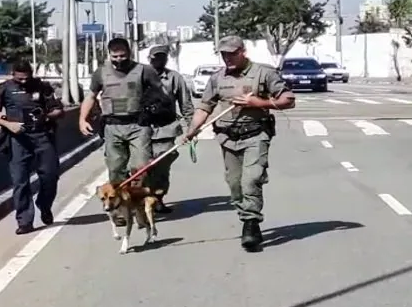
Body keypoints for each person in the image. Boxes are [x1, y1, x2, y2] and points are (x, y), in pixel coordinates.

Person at [183, 35, 296, 251]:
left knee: (251, 180)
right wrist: (192, 130)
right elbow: (204, 106)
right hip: (227, 137)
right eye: (224, 54)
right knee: (234, 184)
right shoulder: (217, 78)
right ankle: (246, 215)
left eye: (232, 53)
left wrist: (259, 102)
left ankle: (251, 225)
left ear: (243, 52)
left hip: (255, 135)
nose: (228, 58)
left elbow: (288, 100)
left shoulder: (264, 73)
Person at [79, 37, 173, 225]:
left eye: (123, 55)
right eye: (115, 56)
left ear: (129, 53)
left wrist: (155, 110)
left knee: (140, 168)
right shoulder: (101, 73)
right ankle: (121, 211)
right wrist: (82, 119)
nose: (119, 59)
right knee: (115, 170)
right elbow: (91, 97)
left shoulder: (144, 71)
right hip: (112, 126)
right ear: (109, 54)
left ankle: (141, 206)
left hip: (138, 125)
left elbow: (161, 94)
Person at [0, 60, 64, 235]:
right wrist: (8, 125)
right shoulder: (4, 89)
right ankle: (25, 221)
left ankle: (44, 205)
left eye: (26, 78)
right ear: (13, 74)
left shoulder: (42, 87)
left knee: (50, 176)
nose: (23, 82)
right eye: (19, 79)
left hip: (42, 136)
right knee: (20, 182)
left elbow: (59, 110)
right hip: (17, 138)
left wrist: (46, 116)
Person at [147, 44, 194, 213]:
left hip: (166, 129)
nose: (158, 60)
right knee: (140, 167)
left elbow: (186, 104)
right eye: (155, 57)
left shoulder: (174, 78)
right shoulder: (138, 76)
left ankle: (157, 199)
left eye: (162, 57)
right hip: (142, 130)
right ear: (149, 59)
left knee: (161, 168)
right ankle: (141, 202)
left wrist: (192, 127)